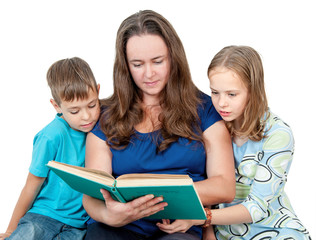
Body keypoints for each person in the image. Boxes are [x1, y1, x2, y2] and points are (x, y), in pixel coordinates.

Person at [82, 10, 235, 240]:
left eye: (157, 61)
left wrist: (158, 194)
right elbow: (92, 193)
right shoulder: (105, 117)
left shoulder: (204, 109)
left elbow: (224, 187)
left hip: (179, 228)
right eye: (137, 64)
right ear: (125, 66)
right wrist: (109, 215)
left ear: (173, 57)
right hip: (120, 228)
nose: (149, 74)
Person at [203, 45, 311, 239]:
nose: (221, 103)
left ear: (252, 90)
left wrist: (204, 218)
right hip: (223, 231)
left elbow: (256, 208)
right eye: (214, 92)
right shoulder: (212, 127)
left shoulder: (278, 133)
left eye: (231, 94)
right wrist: (207, 231)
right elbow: (205, 188)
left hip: (274, 230)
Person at [0, 57, 101, 240]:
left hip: (77, 225)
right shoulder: (51, 136)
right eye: (75, 111)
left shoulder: (100, 131)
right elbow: (31, 186)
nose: (87, 116)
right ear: (57, 106)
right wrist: (10, 230)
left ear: (98, 91)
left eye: (92, 105)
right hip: (42, 217)